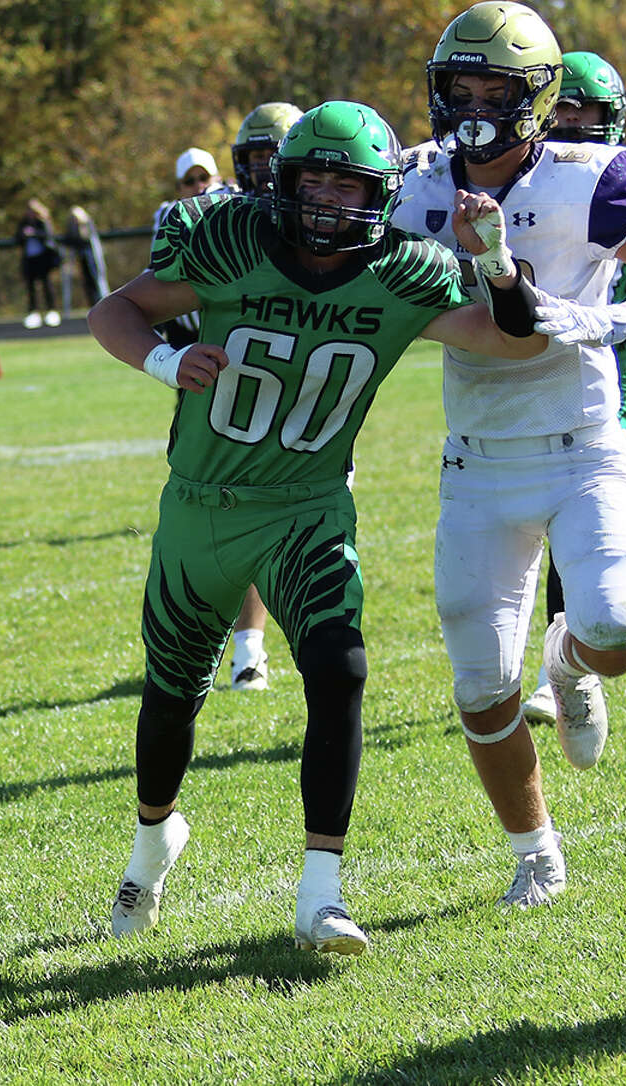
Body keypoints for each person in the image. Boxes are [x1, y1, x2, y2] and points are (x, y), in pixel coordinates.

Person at [89, 100, 552, 954]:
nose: (331, 202)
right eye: (315, 181)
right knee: (170, 698)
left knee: (340, 670)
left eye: (350, 185)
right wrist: (163, 358)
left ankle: (321, 892)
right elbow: (116, 309)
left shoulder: (405, 271)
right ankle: (154, 840)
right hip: (203, 504)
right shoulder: (232, 242)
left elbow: (516, 340)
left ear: (380, 194)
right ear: (283, 183)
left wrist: (494, 257)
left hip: (308, 504)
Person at [395, 1, 626, 908]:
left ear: (535, 97)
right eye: (456, 84)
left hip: (584, 444)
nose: (469, 102)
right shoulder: (411, 186)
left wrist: (624, 315)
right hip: (477, 458)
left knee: (616, 635)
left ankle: (569, 662)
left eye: (491, 86)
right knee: (478, 685)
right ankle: (536, 852)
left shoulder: (590, 178)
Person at [521, 49, 626, 725]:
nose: (572, 122)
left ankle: (559, 665)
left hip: (609, 367)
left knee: (573, 509)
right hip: (524, 364)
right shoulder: (523, 171)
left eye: (585, 110)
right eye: (561, 107)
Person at [226, 101, 305, 692]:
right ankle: (245, 650)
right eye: (250, 157)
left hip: (308, 406)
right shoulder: (220, 219)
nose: (259, 169)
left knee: (305, 540)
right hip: (227, 400)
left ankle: (301, 648)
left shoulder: (335, 220)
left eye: (270, 155)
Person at [150, 148, 237, 349]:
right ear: (179, 188)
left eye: (204, 177)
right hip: (186, 327)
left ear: (218, 178)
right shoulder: (169, 213)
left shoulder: (237, 205)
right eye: (189, 181)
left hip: (229, 323)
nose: (198, 186)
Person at [16, 198, 61, 328]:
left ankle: (52, 311)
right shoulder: (23, 223)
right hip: (29, 259)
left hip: (43, 259)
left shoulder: (43, 222)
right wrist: (24, 235)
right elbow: (17, 239)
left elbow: (48, 237)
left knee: (47, 284)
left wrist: (34, 233)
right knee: (30, 287)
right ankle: (33, 312)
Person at [61, 205, 109, 306]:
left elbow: (87, 239)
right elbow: (69, 241)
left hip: (92, 259)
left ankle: (104, 303)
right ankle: (93, 305)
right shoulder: (72, 230)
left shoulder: (87, 225)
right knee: (87, 283)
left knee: (97, 280)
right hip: (82, 259)